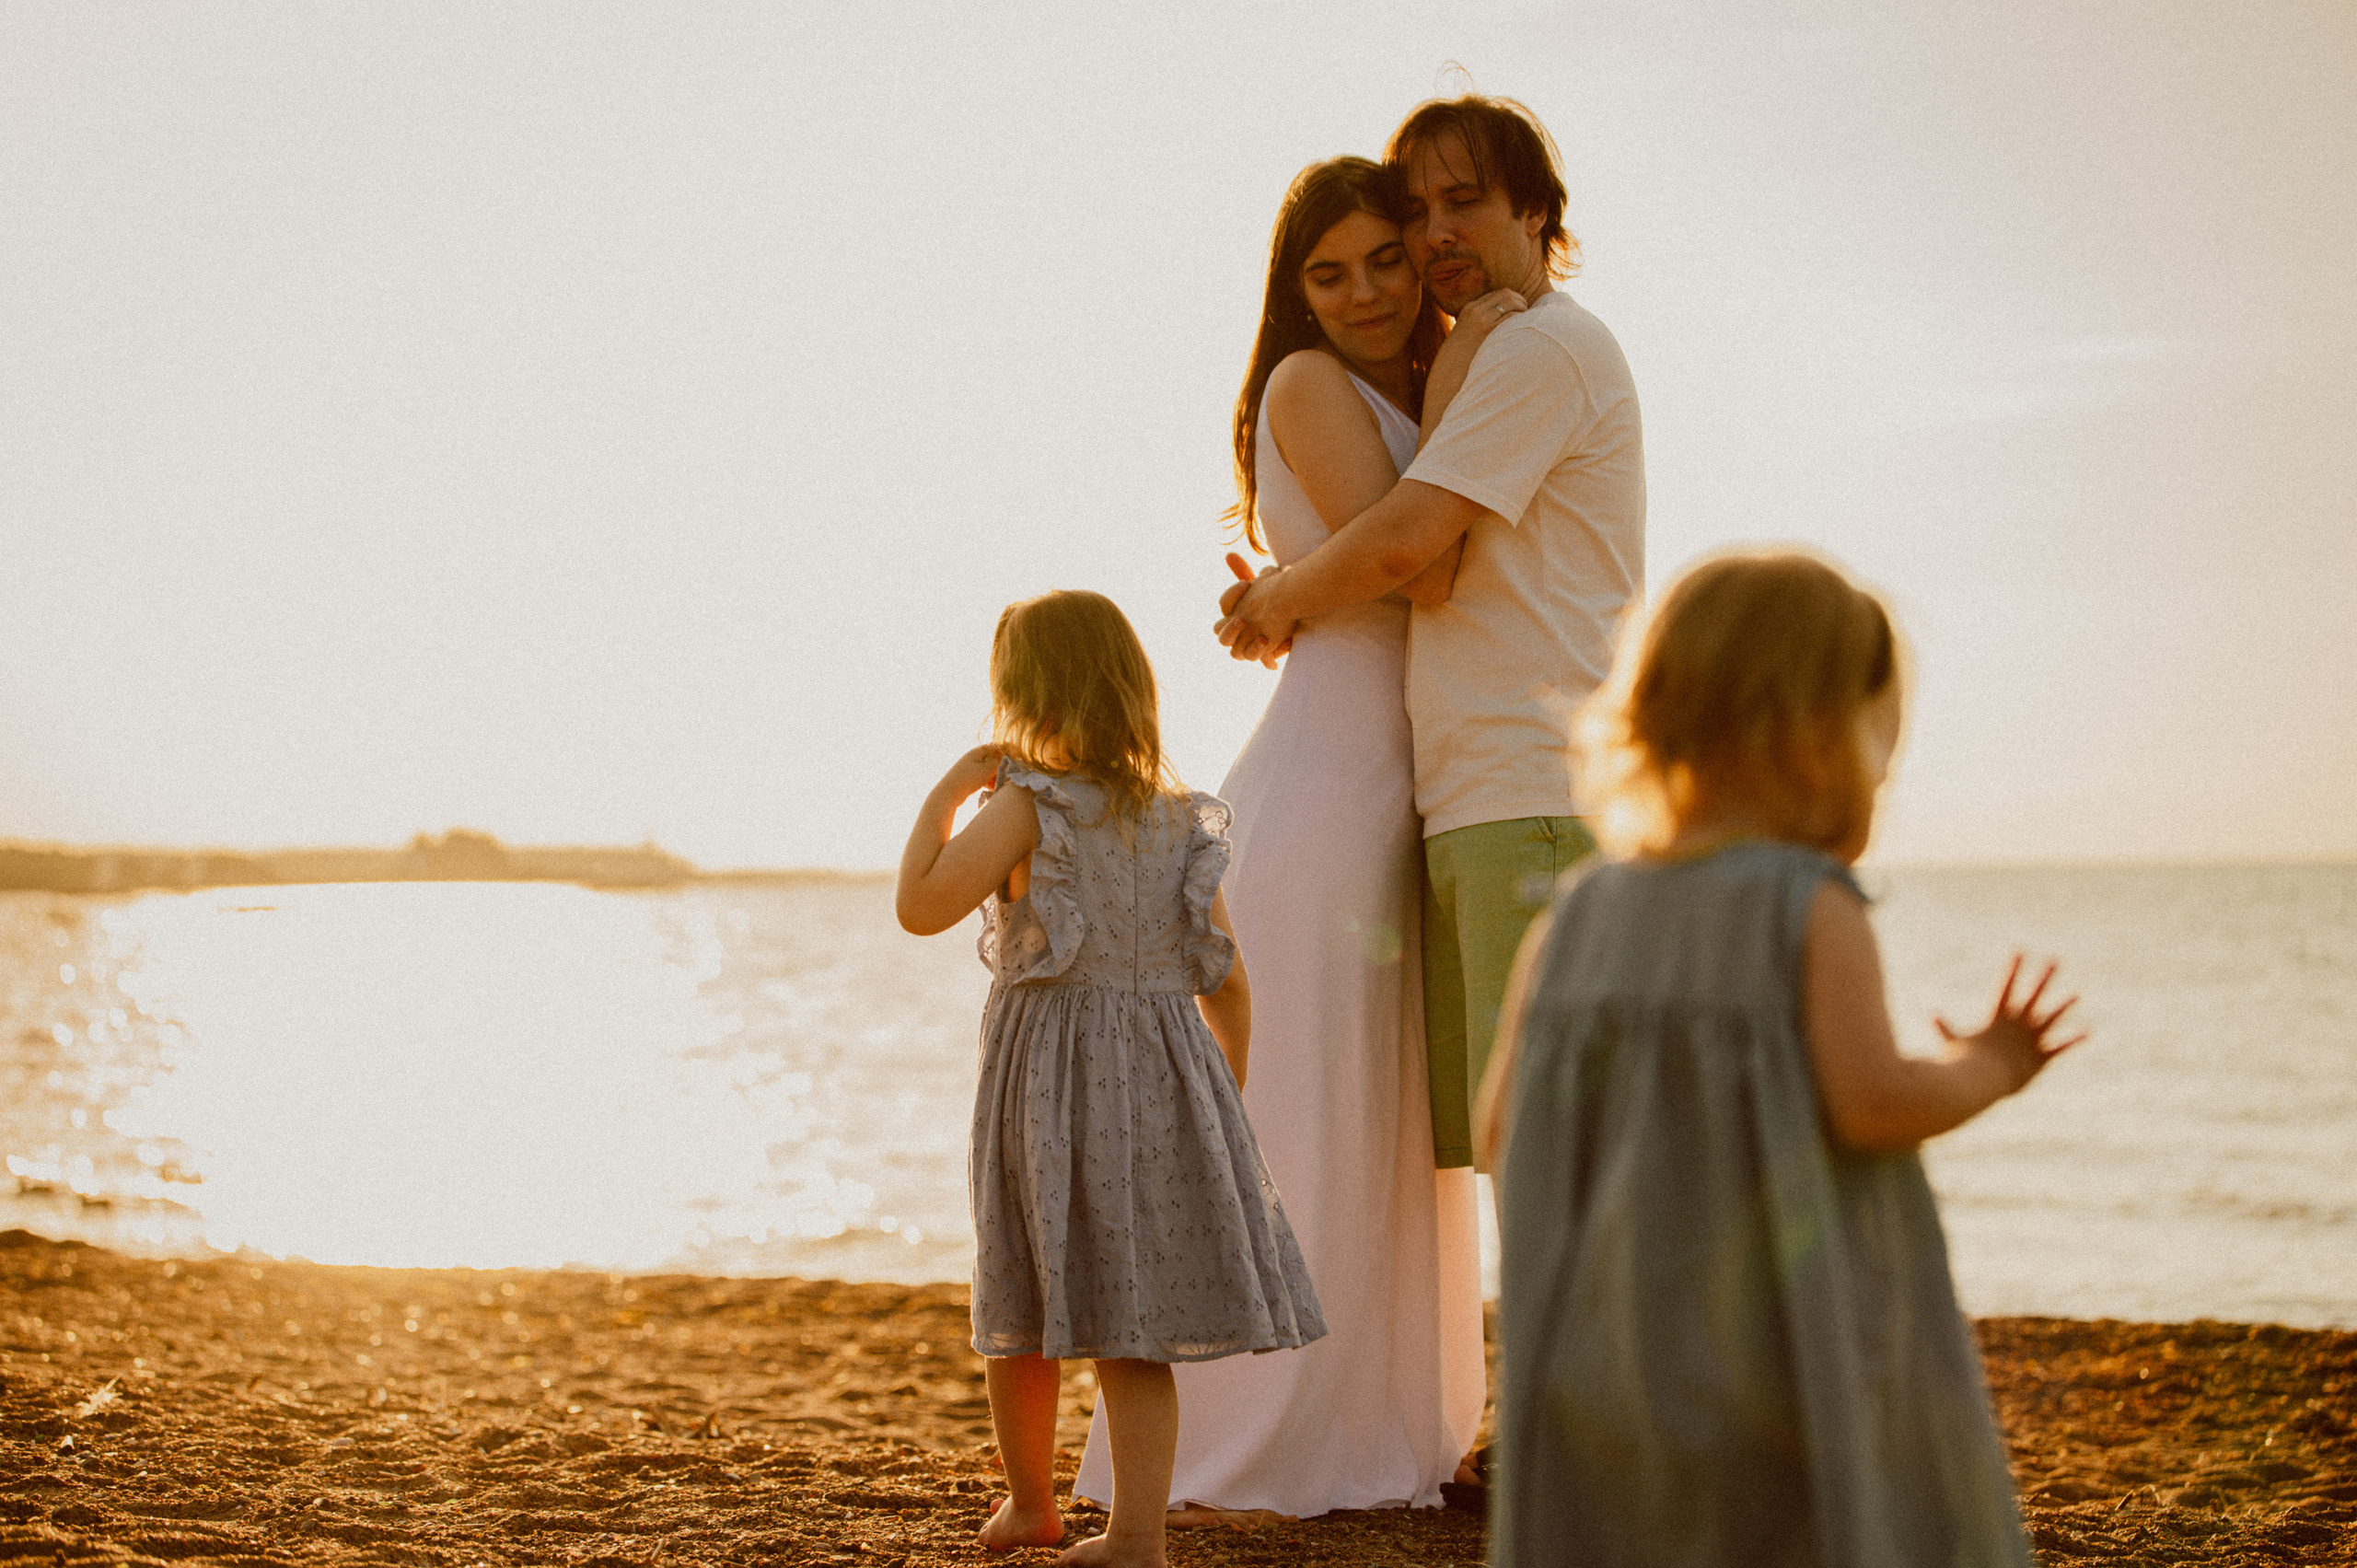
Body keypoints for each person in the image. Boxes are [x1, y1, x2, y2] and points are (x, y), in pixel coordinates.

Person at [1477, 552, 2074, 1566]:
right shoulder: (1806, 906)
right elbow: (1872, 1101)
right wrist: (1991, 1065)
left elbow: (1500, 1127)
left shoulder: (1574, 913)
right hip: (1785, 1360)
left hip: (1607, 1352)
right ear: (1814, 737)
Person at [1074, 157, 1514, 1521]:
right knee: (1308, 1108)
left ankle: (1378, 1427)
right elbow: (1423, 563)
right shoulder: (1313, 385)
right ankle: (1256, 1431)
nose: (1367, 290)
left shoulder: (1421, 387)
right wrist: (1483, 344)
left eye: (1387, 257)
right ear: (1295, 291)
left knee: (1384, 1120)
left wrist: (1280, 591)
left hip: (1401, 779)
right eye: (1330, 272)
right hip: (1328, 787)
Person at [1216, 94, 1645, 1180]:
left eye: (1464, 202)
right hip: (1462, 793)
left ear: (1536, 210)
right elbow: (1405, 543)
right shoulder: (1459, 362)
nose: (1433, 233)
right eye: (1422, 208)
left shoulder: (1532, 348)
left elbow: (1418, 544)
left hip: (1527, 787)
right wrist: (1304, 592)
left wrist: (1283, 598)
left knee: (1542, 1154)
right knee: (1486, 1146)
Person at [895, 588, 1326, 1568]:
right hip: (1162, 1088)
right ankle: (1136, 1534)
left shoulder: (1024, 807)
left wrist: (943, 796)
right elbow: (1227, 979)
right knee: (1134, 1318)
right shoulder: (1174, 821)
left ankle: (1032, 1504)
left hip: (1045, 1087)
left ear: (1023, 692)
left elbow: (921, 905)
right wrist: (1226, 1102)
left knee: (1025, 1292)